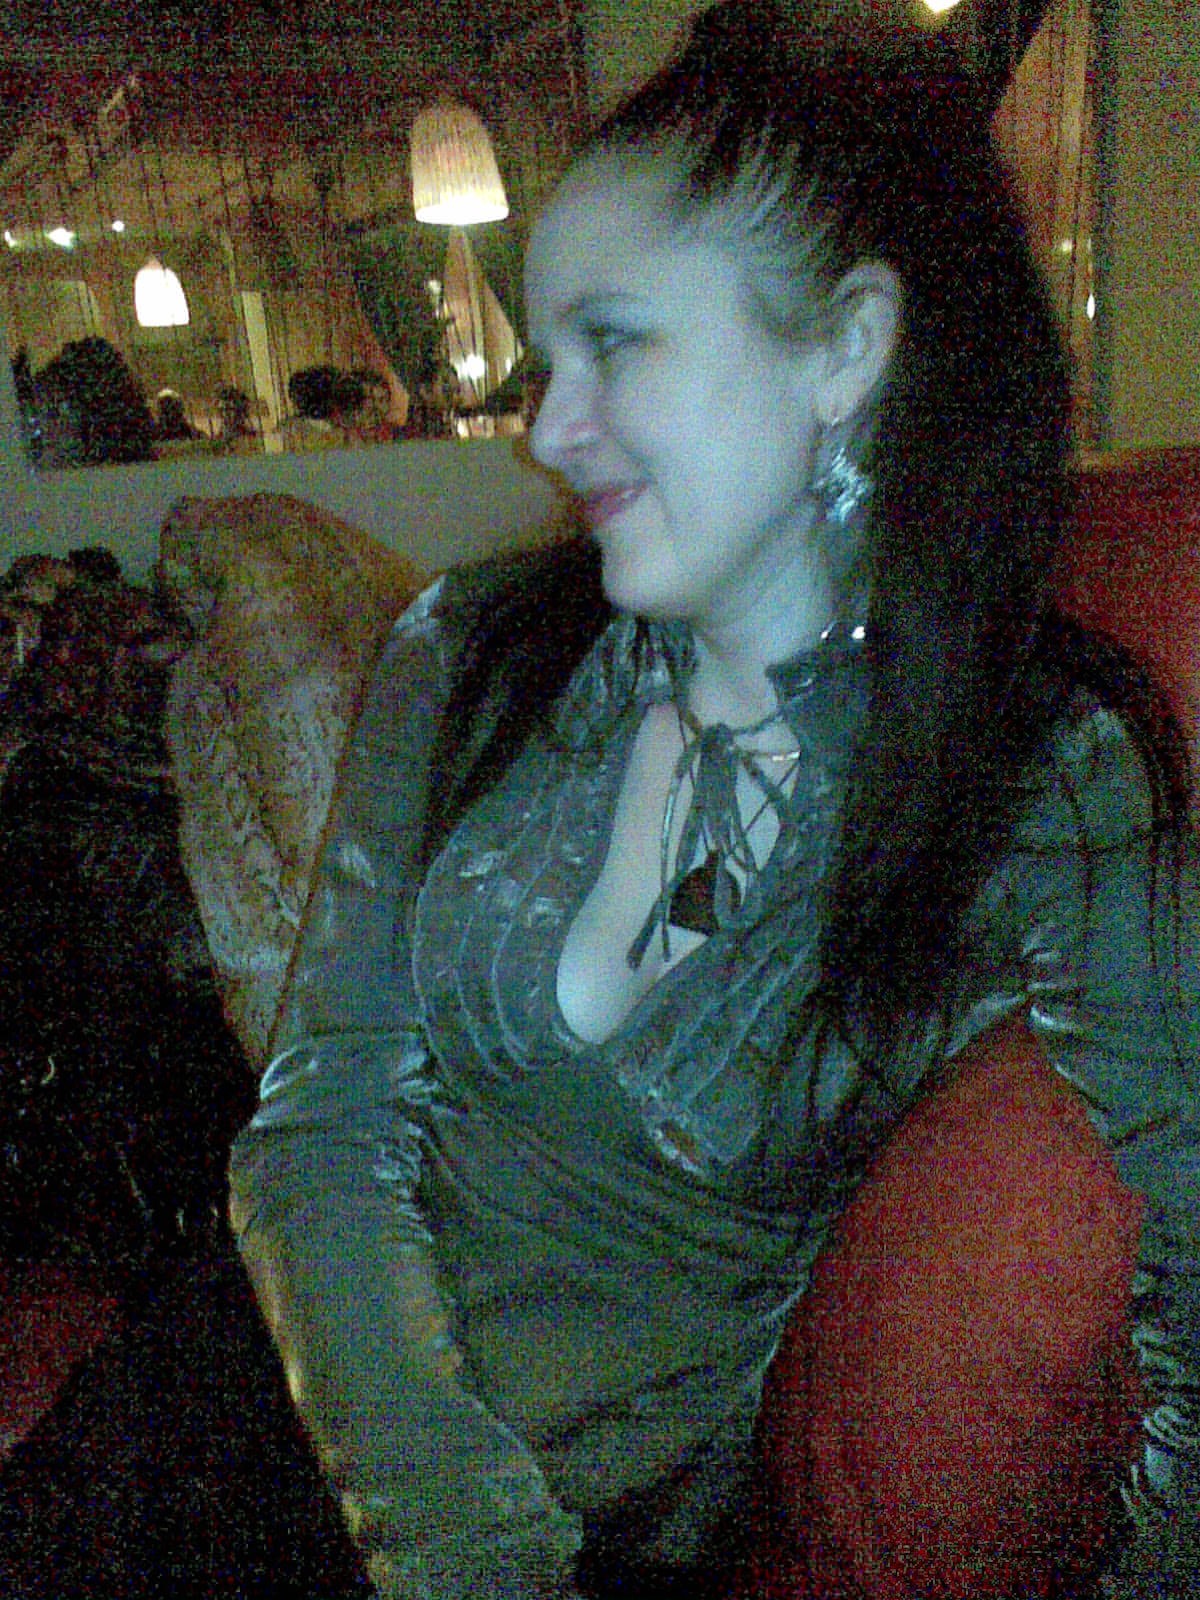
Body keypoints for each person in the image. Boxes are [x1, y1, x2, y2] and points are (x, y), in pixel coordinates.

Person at [228, 7, 1200, 1598]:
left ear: (845, 347)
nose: (548, 431)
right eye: (550, 358)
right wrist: (462, 1554)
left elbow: (1191, 1251)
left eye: (616, 343)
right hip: (278, 1422)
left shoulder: (1036, 774)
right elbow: (320, 1132)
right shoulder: (470, 648)